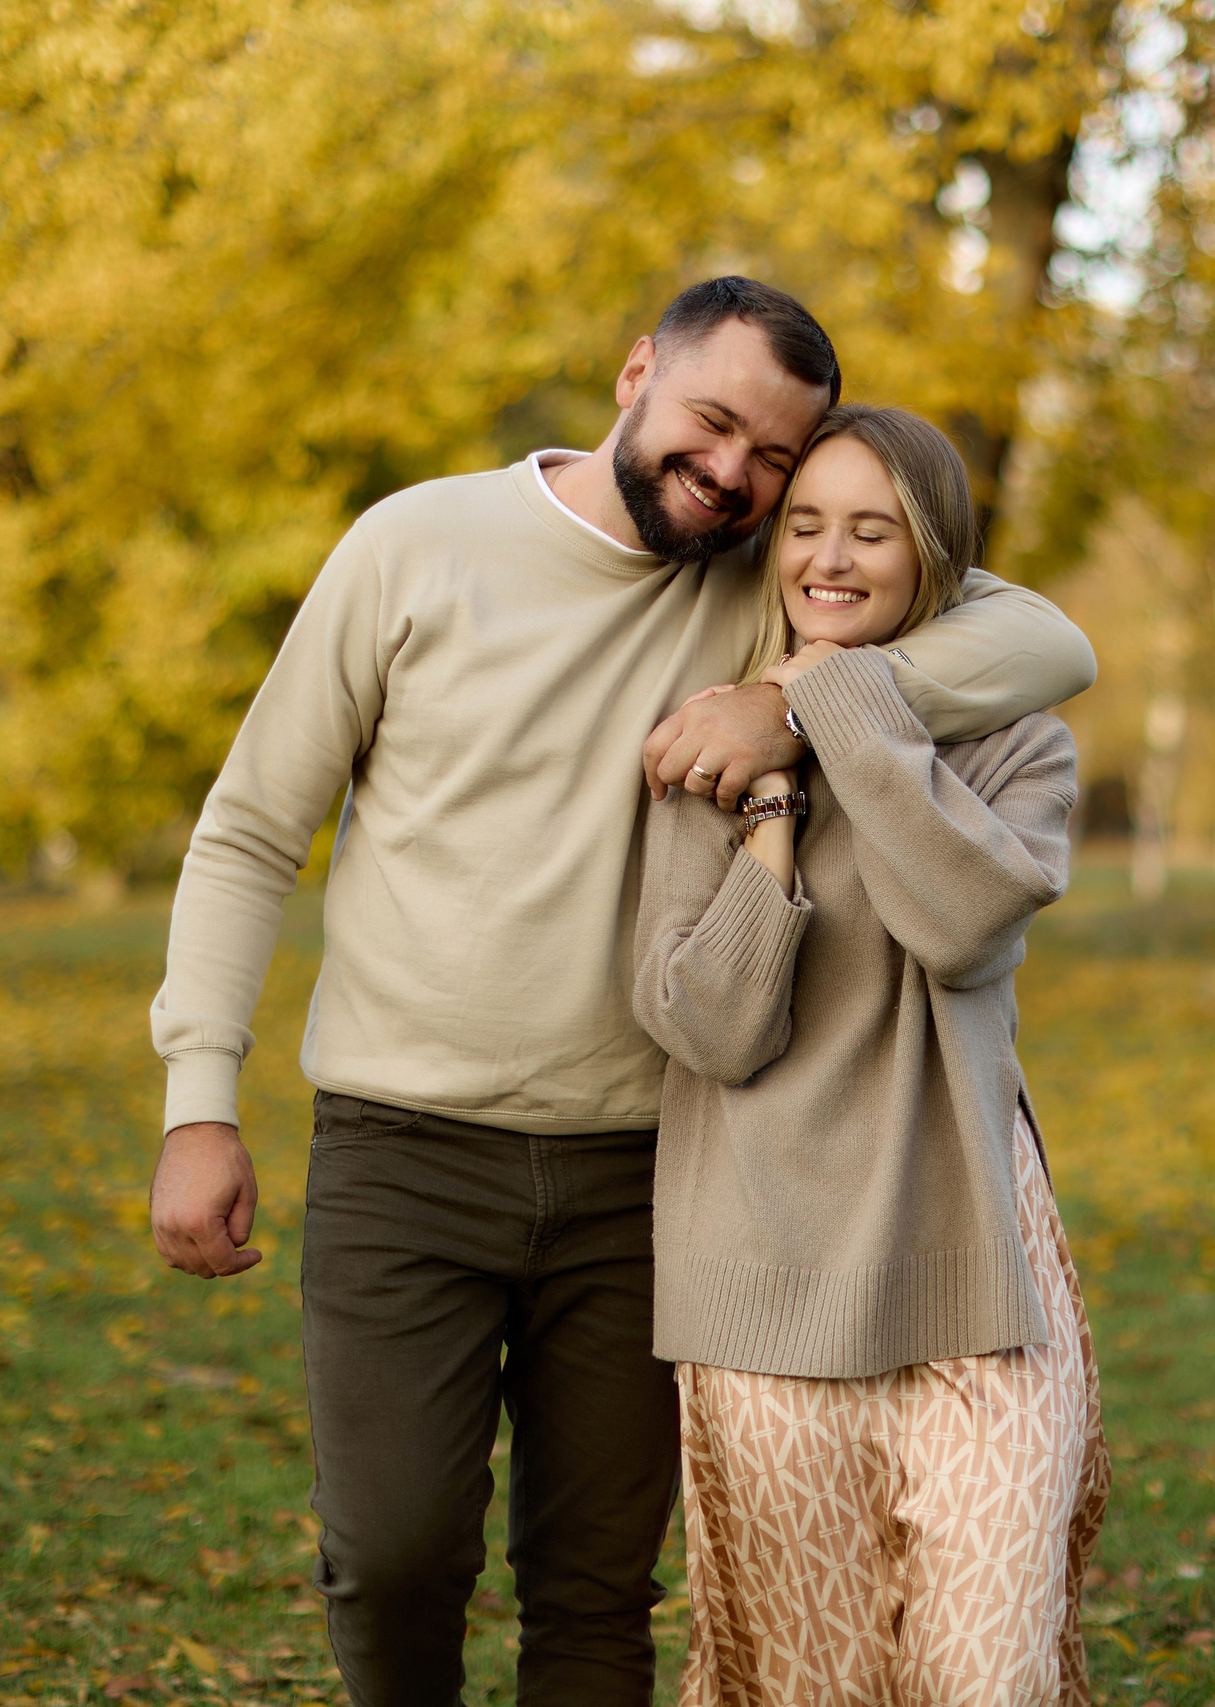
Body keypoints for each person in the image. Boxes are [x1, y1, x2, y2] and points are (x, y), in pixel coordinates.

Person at [144, 279, 1097, 1707]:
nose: (729, 475)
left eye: (771, 458)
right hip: (405, 1147)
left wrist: (786, 697)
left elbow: (1045, 646)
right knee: (394, 1555)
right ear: (635, 370)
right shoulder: (414, 545)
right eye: (711, 423)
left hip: (646, 1166)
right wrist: (197, 1098)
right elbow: (250, 830)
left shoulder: (761, 577)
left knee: (595, 1585)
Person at [633, 405, 1107, 1707]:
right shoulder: (711, 743)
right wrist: (774, 804)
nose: (830, 558)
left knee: (991, 1671)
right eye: (806, 525)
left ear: (936, 557)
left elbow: (955, 925)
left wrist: (825, 701)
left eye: (873, 528)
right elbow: (714, 1025)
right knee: (814, 1687)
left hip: (972, 1274)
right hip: (766, 1282)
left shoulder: (1017, 739)